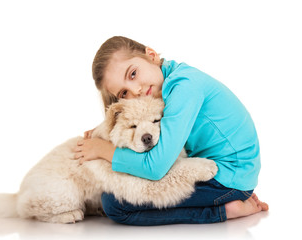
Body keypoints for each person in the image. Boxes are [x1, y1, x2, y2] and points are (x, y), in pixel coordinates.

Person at [73, 36, 268, 225]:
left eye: (133, 74)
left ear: (151, 55)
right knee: (122, 184)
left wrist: (102, 150)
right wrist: (102, 131)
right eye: (124, 93)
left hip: (227, 178)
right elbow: (138, 120)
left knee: (115, 203)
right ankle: (222, 201)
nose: (136, 91)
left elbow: (156, 168)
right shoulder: (165, 84)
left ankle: (220, 210)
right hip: (224, 173)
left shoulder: (184, 88)